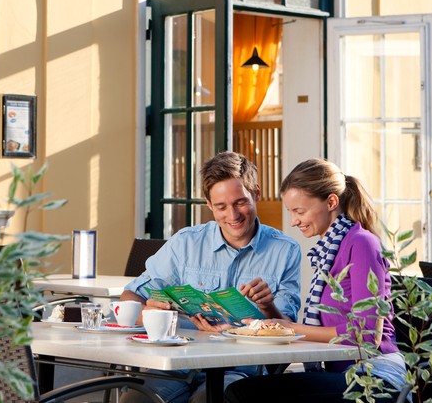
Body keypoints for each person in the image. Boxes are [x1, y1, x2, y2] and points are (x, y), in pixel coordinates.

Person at [119, 150, 302, 403]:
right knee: (134, 400)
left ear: (256, 193)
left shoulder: (285, 250)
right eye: (221, 207)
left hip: (239, 370)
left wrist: (267, 307)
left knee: (209, 399)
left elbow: (288, 332)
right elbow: (131, 295)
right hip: (177, 364)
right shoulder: (186, 243)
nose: (233, 216)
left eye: (240, 202)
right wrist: (151, 314)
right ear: (208, 205)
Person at [223, 158, 406, 403]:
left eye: (299, 211)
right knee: (244, 390)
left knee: (243, 393)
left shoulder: (362, 243)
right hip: (341, 373)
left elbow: (367, 335)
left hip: (375, 377)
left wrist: (288, 329)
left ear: (331, 202)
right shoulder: (329, 251)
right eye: (290, 211)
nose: (293, 221)